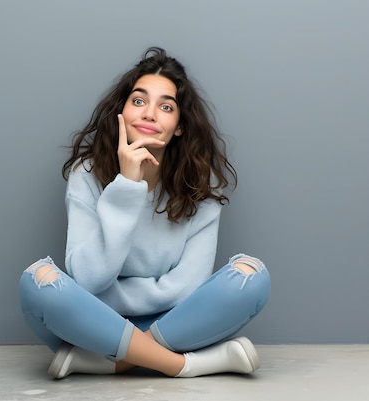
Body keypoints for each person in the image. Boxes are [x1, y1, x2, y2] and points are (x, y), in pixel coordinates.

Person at [18, 47, 271, 379]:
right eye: (139, 101)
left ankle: (113, 362)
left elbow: (187, 286)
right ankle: (184, 366)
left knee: (252, 276)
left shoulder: (201, 183)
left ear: (179, 126)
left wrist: (132, 305)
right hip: (95, 322)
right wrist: (126, 187)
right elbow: (87, 279)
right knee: (38, 281)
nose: (150, 114)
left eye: (166, 107)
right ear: (121, 111)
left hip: (174, 323)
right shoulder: (88, 174)